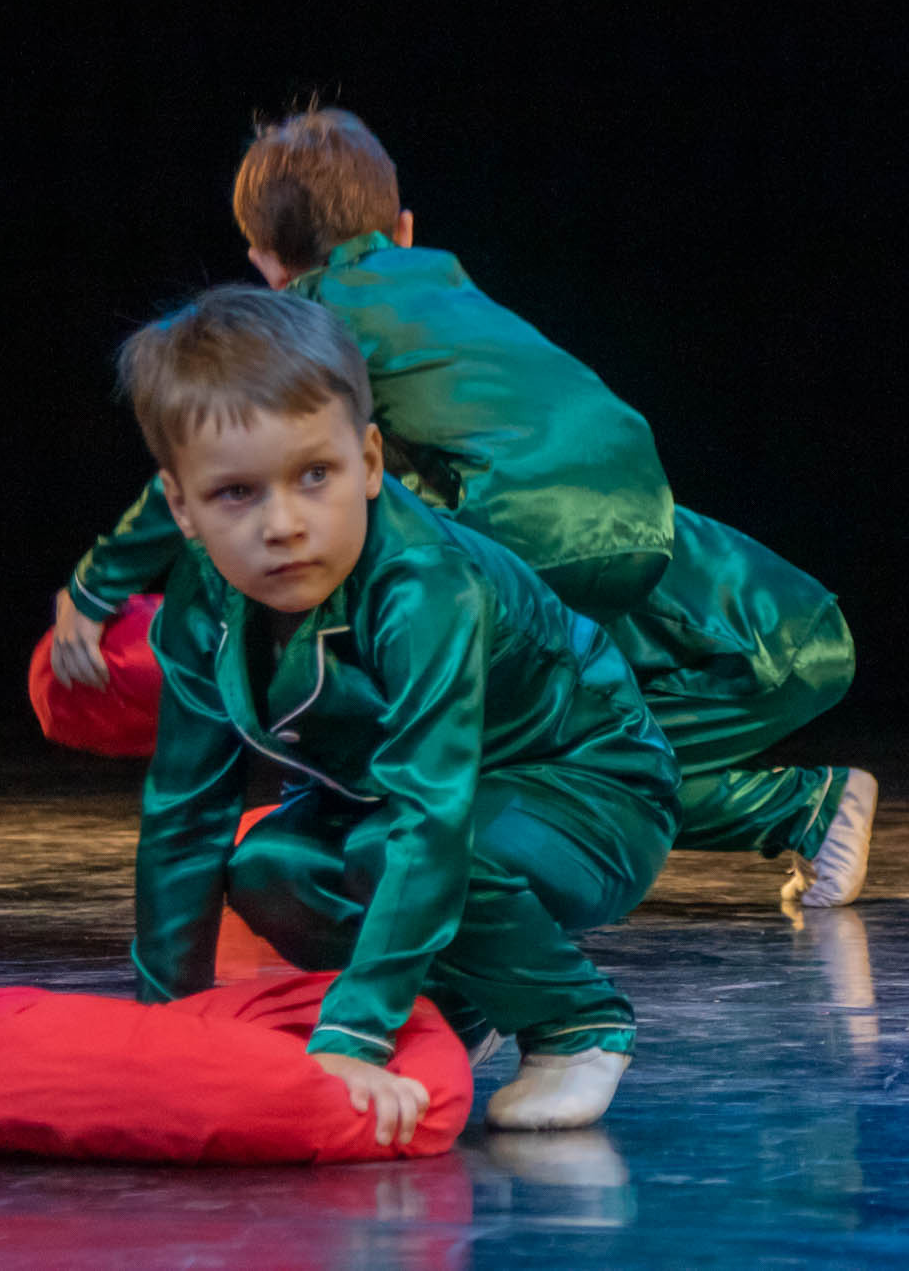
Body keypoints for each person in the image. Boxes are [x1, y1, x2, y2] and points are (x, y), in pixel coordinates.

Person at [53, 108, 873, 906]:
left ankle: (783, 809)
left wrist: (94, 590)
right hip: (647, 514)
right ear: (403, 227)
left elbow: (213, 464)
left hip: (512, 534)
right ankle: (809, 806)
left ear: (265, 262)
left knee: (472, 751)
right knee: (571, 724)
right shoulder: (445, 286)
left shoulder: (311, 320)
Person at [120, 284, 680, 1135]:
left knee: (392, 848)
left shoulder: (424, 585)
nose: (284, 523)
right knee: (266, 865)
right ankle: (459, 995)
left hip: (590, 789)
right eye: (236, 493)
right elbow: (183, 814)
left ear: (372, 462)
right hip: (410, 803)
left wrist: (356, 1033)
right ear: (181, 508)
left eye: (316, 475)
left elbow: (429, 813)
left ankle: (576, 1021)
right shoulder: (203, 600)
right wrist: (168, 1027)